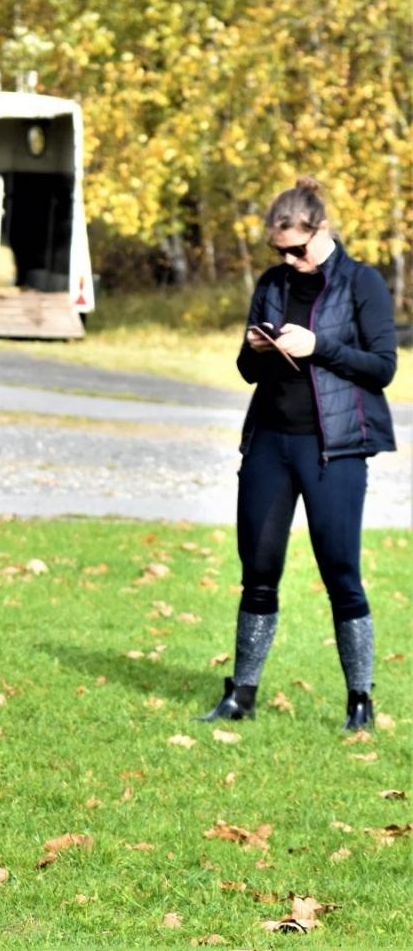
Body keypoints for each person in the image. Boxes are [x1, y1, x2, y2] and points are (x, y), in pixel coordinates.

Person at [201, 176, 398, 731]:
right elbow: (247, 372)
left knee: (341, 573)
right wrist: (256, 349)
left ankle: (359, 700)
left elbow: (382, 366)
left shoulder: (362, 283)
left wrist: (319, 347)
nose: (290, 258)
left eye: (298, 248)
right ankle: (241, 694)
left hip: (335, 449)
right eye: (279, 250)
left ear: (322, 230)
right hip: (270, 443)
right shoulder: (271, 283)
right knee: (258, 571)